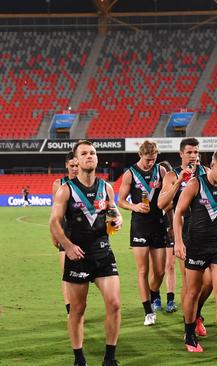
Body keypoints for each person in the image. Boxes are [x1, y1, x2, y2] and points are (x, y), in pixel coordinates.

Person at [50, 140, 122, 366]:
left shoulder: (106, 187)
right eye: (84, 153)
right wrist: (68, 246)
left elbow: (113, 210)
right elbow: (54, 222)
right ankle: (79, 358)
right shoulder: (66, 190)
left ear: (97, 158)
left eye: (92, 153)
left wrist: (117, 218)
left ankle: (110, 358)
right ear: (76, 160)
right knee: (78, 309)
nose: (89, 156)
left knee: (114, 304)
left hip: (103, 254)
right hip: (78, 257)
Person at [173, 149, 217, 360]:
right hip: (196, 246)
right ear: (212, 164)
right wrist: (179, 242)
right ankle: (190, 334)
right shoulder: (195, 184)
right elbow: (177, 214)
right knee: (192, 291)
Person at [157, 137, 212, 336]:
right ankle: (190, 322)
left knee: (210, 282)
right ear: (181, 154)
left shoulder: (206, 173)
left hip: (207, 233)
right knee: (190, 283)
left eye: (196, 152)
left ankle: (196, 313)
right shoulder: (172, 175)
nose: (193, 156)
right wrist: (180, 180)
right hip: (185, 232)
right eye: (189, 152)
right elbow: (161, 204)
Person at [117, 140, 167, 326]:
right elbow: (120, 200)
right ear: (140, 155)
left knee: (160, 271)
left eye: (153, 159)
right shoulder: (130, 174)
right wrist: (134, 206)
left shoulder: (161, 171)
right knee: (143, 270)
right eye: (147, 160)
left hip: (158, 224)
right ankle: (148, 311)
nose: (150, 163)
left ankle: (154, 293)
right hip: (139, 225)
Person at [51, 151, 79, 315]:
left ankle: (79, 306)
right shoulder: (59, 184)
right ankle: (70, 310)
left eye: (77, 165)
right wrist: (53, 234)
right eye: (72, 165)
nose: (75, 168)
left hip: (84, 234)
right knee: (66, 273)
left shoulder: (87, 182)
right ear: (66, 165)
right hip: (66, 234)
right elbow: (54, 213)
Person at [157, 160, 177, 313]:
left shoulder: (174, 188)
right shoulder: (155, 189)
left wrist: (172, 225)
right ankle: (155, 297)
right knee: (158, 269)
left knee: (170, 265)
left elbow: (170, 207)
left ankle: (170, 299)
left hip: (169, 228)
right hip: (156, 228)